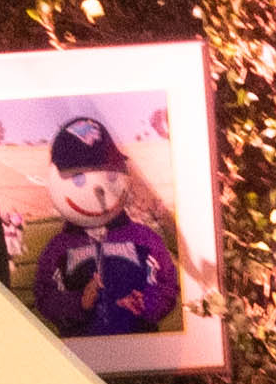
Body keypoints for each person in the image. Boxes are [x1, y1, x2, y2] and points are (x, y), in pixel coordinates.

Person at [21, 115, 182, 339]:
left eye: (110, 176)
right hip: (81, 359)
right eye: (78, 179)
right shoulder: (58, 249)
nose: (98, 190)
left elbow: (167, 286)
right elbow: (45, 297)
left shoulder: (144, 239)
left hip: (140, 355)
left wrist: (145, 303)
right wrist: (79, 303)